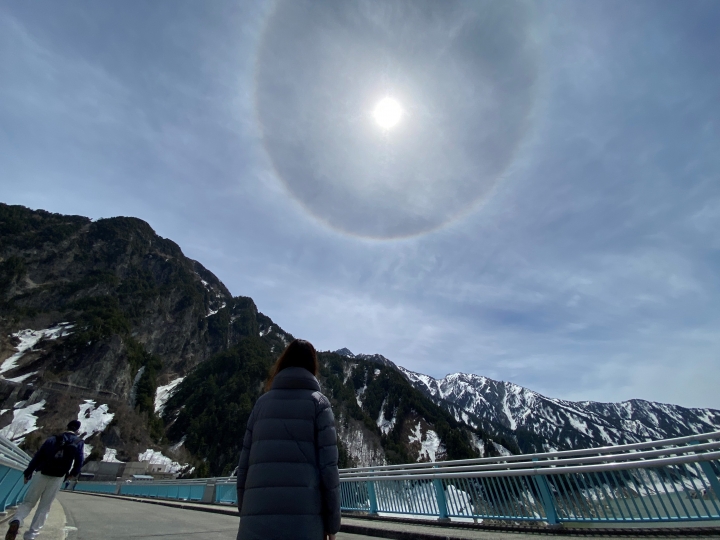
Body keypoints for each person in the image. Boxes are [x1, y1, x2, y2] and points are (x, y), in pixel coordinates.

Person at [236, 339, 340, 540]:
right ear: (312, 365)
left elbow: (244, 466)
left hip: (255, 525)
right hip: (304, 525)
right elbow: (329, 470)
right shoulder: (319, 404)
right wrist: (331, 525)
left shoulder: (261, 405)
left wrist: (247, 512)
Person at [5, 420, 84, 540]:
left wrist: (28, 472)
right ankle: (31, 535)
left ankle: (18, 519)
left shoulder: (53, 439)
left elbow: (38, 456)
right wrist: (72, 474)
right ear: (77, 430)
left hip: (42, 473)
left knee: (28, 502)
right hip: (58, 477)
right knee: (44, 507)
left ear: (66, 427)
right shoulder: (78, 442)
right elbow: (79, 462)